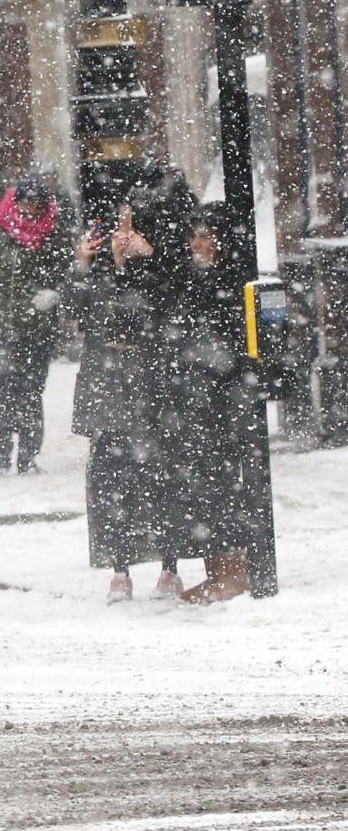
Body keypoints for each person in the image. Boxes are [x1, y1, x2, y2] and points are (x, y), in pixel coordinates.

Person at [71, 167, 193, 600]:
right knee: (111, 482)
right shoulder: (100, 272)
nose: (124, 232)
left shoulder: (160, 272)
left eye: (132, 223)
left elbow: (165, 313)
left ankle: (169, 566)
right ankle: (119, 569)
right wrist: (84, 266)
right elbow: (79, 317)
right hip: (108, 390)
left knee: (160, 477)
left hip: (151, 388)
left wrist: (149, 258)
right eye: (119, 223)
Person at [168, 213, 260, 603]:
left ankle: (233, 572)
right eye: (194, 238)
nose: (197, 246)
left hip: (224, 396)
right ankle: (215, 570)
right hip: (199, 394)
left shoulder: (230, 282)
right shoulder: (193, 280)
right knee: (202, 481)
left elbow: (233, 340)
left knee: (224, 480)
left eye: (206, 238)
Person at [0, 173, 74, 475]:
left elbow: (69, 273)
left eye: (38, 204)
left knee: (31, 388)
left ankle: (28, 453)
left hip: (37, 326)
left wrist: (56, 294)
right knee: (2, 385)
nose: (31, 210)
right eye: (26, 202)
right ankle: (2, 449)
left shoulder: (55, 234)